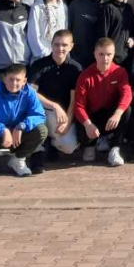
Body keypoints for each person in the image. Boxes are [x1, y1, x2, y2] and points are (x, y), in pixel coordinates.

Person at [0, 63, 48, 179]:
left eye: (18, 80)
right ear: (4, 79)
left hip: (18, 137)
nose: (14, 83)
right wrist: (3, 129)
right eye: (11, 79)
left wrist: (21, 126)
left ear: (24, 81)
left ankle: (18, 159)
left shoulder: (29, 93)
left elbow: (39, 115)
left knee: (41, 130)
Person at [75, 36, 134, 166]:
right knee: (88, 158)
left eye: (109, 54)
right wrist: (88, 124)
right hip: (92, 117)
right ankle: (90, 144)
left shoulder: (120, 72)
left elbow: (127, 93)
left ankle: (114, 149)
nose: (105, 58)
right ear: (95, 54)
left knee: (127, 110)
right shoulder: (85, 76)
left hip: (110, 117)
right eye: (101, 54)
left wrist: (118, 114)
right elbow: (78, 106)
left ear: (114, 54)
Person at [28, 30, 81, 171]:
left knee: (69, 146)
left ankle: (52, 145)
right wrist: (54, 105)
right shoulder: (39, 65)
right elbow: (31, 93)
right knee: (34, 122)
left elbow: (73, 99)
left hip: (62, 114)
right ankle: (36, 154)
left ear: (71, 46)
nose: (60, 48)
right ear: (51, 45)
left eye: (64, 45)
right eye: (56, 44)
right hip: (40, 110)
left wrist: (69, 121)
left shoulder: (75, 68)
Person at [97, 0, 134, 70]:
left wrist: (132, 38)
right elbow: (103, 33)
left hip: (127, 56)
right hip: (112, 57)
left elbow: (131, 29)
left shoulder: (128, 8)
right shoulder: (107, 8)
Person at [68, 0, 105, 68]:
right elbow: (69, 28)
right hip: (78, 55)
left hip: (97, 56)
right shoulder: (76, 5)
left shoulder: (103, 5)